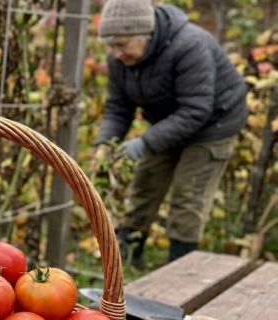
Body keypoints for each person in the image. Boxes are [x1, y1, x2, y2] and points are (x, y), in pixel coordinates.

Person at [93, 0, 248, 265]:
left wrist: (143, 143)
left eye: (122, 44)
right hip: (171, 121)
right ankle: (127, 262)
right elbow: (119, 108)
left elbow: (196, 110)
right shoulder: (120, 59)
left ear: (146, 36)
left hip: (214, 124)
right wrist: (106, 144)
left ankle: (181, 268)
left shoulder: (189, 45)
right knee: (145, 183)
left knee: (188, 198)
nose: (116, 53)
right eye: (111, 45)